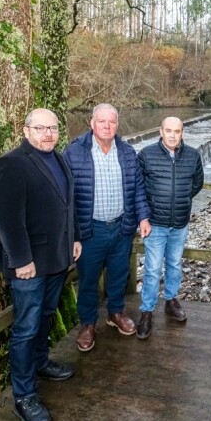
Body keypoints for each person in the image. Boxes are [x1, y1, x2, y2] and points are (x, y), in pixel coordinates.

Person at [0, 108, 82, 421]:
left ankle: (41, 363)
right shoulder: (10, 164)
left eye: (53, 128)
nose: (48, 134)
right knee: (26, 327)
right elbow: (6, 218)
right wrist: (21, 259)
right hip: (29, 264)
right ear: (26, 130)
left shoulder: (58, 159)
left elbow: (68, 205)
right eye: (41, 128)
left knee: (45, 315)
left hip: (58, 257)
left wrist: (76, 238)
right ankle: (24, 396)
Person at [64, 103, 151, 352]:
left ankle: (115, 313)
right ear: (92, 123)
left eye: (111, 122)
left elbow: (137, 190)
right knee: (88, 279)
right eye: (101, 121)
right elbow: (66, 197)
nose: (106, 126)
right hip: (90, 230)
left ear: (117, 125)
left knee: (119, 274)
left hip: (122, 227)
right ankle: (88, 324)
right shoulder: (74, 152)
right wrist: (72, 233)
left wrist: (143, 217)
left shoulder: (126, 152)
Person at [136, 117, 204, 339]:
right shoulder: (146, 154)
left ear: (182, 132)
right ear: (161, 132)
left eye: (177, 131)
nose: (173, 135)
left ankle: (171, 300)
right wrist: (144, 216)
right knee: (153, 269)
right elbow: (138, 188)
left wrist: (182, 200)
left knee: (174, 264)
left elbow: (197, 183)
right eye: (168, 131)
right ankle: (146, 311)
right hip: (155, 223)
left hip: (180, 222)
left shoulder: (193, 155)